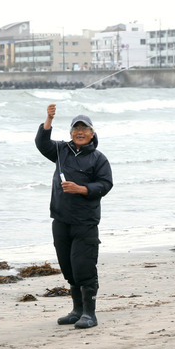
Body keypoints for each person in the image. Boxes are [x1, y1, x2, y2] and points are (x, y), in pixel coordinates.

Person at [35, 104, 113, 329]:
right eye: (75, 128)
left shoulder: (99, 159)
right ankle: (77, 310)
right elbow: (42, 143)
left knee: (83, 267)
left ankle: (90, 313)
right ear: (70, 133)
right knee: (68, 267)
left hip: (85, 222)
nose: (79, 132)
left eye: (84, 128)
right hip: (60, 219)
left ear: (92, 133)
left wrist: (82, 189)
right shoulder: (61, 150)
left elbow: (106, 184)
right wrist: (48, 118)